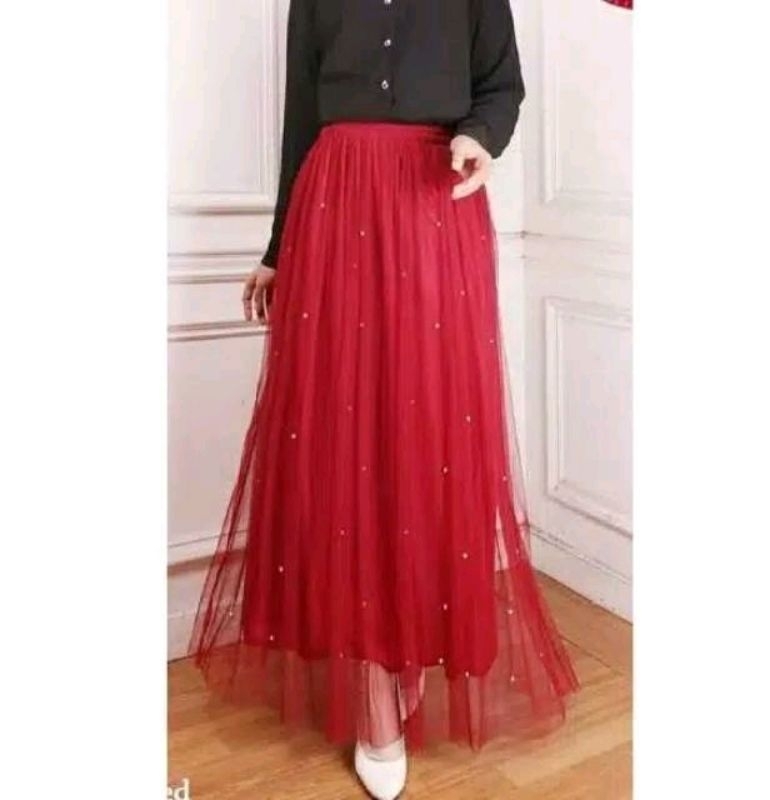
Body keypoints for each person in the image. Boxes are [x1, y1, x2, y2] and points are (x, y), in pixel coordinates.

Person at [189, 1, 579, 798]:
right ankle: (371, 682)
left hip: (432, 206)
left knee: (424, 441)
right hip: (335, 205)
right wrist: (277, 248)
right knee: (344, 448)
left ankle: (403, 642)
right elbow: (301, 119)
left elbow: (501, 85)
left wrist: (480, 136)